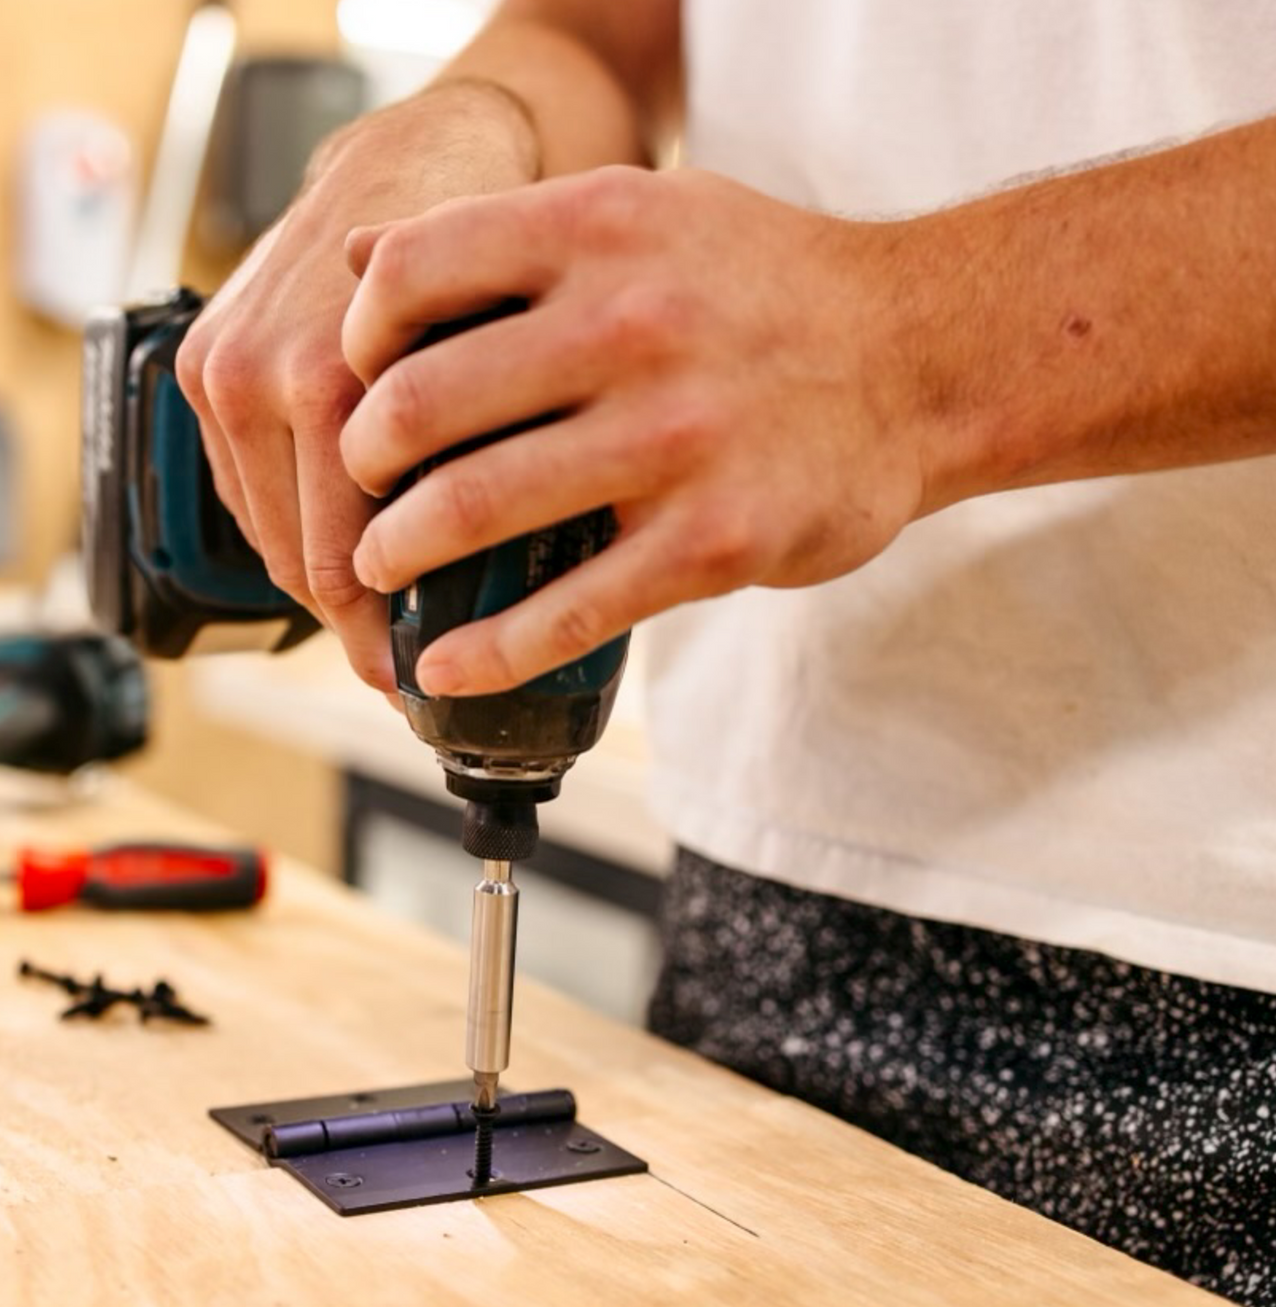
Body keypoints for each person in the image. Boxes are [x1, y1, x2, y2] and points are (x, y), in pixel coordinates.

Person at [173, 1, 1276, 1301]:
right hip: (772, 891)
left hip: (1230, 967)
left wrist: (906, 342)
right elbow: (600, 35)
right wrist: (480, 118)